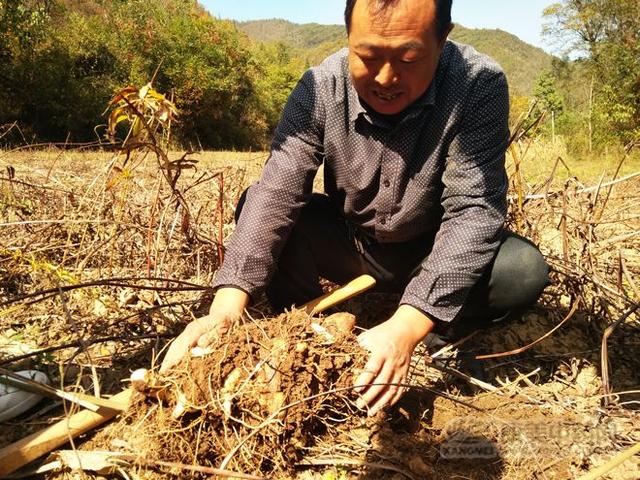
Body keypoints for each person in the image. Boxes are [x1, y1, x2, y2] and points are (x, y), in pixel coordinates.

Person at [161, 0, 549, 416]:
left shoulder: (477, 84)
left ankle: (435, 329)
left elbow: (474, 208)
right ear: (347, 36)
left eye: (408, 57)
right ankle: (305, 331)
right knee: (256, 201)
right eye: (367, 56)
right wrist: (225, 307)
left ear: (443, 38)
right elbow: (279, 186)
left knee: (521, 271)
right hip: (353, 245)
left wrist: (407, 327)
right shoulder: (320, 86)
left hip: (432, 250)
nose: (385, 77)